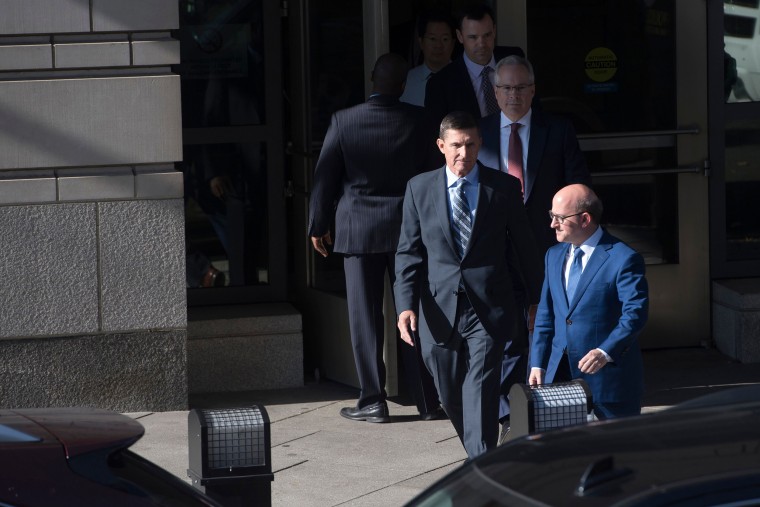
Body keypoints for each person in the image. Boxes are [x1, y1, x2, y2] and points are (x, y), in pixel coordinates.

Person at [394, 111, 541, 459]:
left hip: (489, 307)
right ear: (441, 146)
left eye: (471, 144)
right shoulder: (419, 188)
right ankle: (481, 451)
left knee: (480, 390)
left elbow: (525, 248)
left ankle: (482, 465)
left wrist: (536, 300)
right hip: (437, 309)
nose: (464, 153)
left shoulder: (502, 187)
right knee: (448, 394)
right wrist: (404, 306)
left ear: (480, 144)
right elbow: (408, 253)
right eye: (456, 145)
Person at [308, 53, 442, 424]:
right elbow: (433, 178)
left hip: (358, 230)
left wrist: (318, 225)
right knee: (411, 312)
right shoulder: (420, 120)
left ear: (372, 80)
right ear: (402, 86)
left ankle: (372, 401)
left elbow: (325, 179)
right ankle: (428, 400)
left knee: (364, 318)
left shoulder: (344, 120)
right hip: (407, 232)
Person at [478, 55, 591, 441]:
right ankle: (509, 413)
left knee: (550, 324)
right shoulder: (479, 133)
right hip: (497, 250)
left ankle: (553, 404)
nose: (514, 95)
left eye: (521, 87)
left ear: (533, 90)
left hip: (548, 248)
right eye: (506, 88)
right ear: (495, 93)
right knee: (506, 331)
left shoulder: (557, 130)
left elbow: (578, 184)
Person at [529, 184, 649, 420]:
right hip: (559, 377)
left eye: (560, 218)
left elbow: (635, 313)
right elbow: (546, 314)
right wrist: (538, 364)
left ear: (585, 219)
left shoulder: (623, 258)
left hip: (608, 380)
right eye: (552, 216)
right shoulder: (553, 255)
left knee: (615, 451)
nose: (553, 224)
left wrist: (605, 351)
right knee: (567, 453)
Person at [424, 4, 524, 127]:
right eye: (473, 37)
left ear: (494, 31)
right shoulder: (441, 84)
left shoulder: (514, 60)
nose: (481, 44)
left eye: (487, 35)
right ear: (460, 36)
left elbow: (533, 109)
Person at [400, 8, 455, 107]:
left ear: (453, 43)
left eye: (445, 39)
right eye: (433, 39)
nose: (438, 45)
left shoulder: (464, 77)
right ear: (421, 42)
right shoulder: (409, 79)